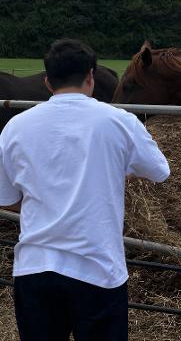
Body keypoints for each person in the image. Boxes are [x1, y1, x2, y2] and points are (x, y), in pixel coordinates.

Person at [0, 39, 170, 340]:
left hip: (34, 270)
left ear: (47, 82)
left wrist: (46, 202)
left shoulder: (15, 127)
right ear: (91, 77)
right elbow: (159, 171)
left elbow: (7, 199)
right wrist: (114, 173)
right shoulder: (121, 122)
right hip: (98, 270)